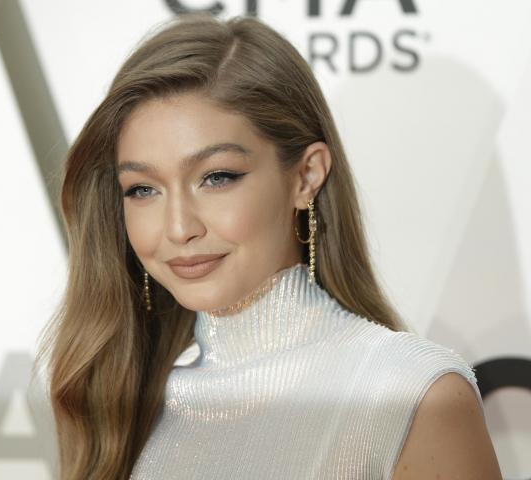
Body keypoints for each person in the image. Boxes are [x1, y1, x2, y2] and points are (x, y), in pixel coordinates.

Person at [33, 12, 502, 480]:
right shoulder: (126, 414)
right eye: (143, 189)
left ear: (306, 176)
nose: (178, 228)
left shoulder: (412, 394)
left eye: (217, 177)